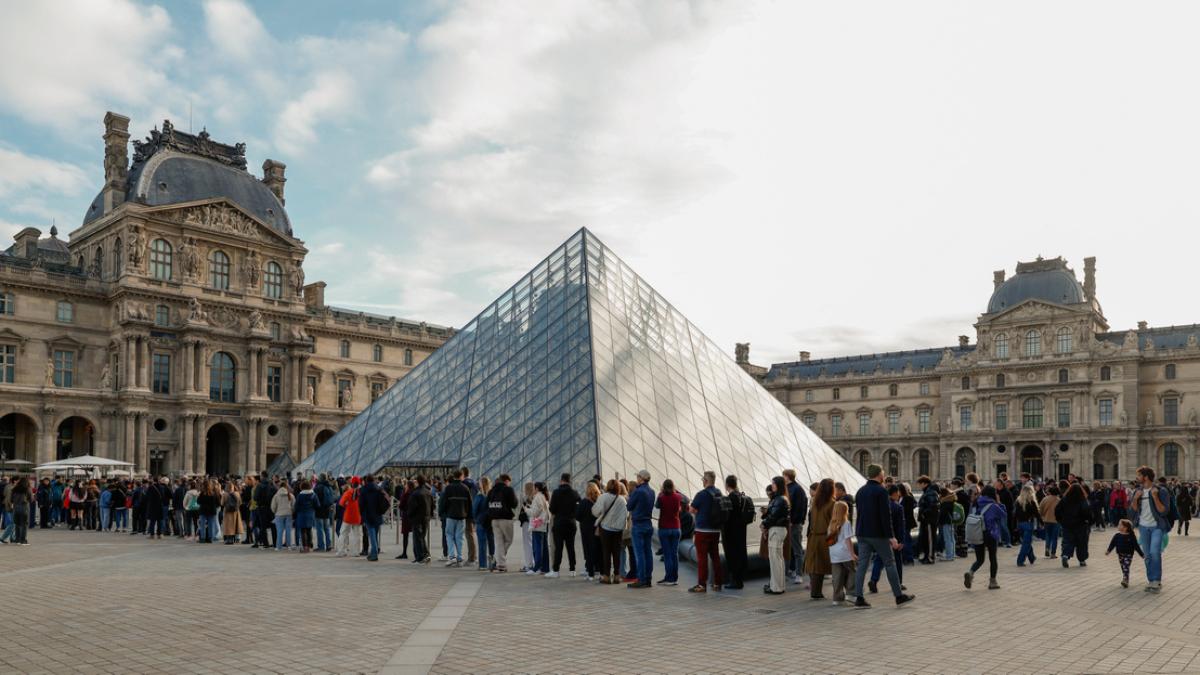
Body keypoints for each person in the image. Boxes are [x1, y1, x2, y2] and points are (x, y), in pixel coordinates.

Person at [852, 464, 914, 609]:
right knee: (890, 563)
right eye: (883, 473)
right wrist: (891, 536)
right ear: (879, 475)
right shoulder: (881, 491)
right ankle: (899, 596)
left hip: (862, 533)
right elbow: (886, 516)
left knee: (862, 565)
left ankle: (859, 597)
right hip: (878, 534)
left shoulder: (860, 491)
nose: (884, 476)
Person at [1130, 466, 1171, 592]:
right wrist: (1135, 498)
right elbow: (1133, 510)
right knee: (1147, 555)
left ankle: (1156, 581)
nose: (1137, 478)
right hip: (1143, 526)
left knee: (1154, 552)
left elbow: (1163, 511)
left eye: (1139, 475)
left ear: (1146, 477)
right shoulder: (1138, 491)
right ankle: (1151, 580)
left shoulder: (1161, 491)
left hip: (1157, 526)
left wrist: (1155, 497)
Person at [963, 485, 1006, 590]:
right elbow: (1004, 515)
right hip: (990, 533)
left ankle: (971, 572)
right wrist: (999, 503)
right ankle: (992, 582)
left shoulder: (976, 502)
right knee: (992, 558)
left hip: (977, 532)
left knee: (980, 559)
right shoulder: (994, 506)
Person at [689, 470, 725, 593]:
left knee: (702, 558)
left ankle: (702, 585)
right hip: (716, 530)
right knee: (715, 557)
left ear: (705, 481)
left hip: (702, 531)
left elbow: (692, 510)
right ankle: (717, 583)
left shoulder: (701, 494)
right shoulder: (719, 493)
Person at [592, 478, 628, 584]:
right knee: (617, 552)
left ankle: (607, 576)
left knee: (606, 552)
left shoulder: (603, 497)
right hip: (618, 530)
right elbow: (626, 515)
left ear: (607, 486)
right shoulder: (622, 499)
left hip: (605, 528)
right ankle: (617, 576)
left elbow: (595, 511)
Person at [805, 478, 835, 599]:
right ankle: (840, 592)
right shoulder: (832, 503)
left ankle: (815, 592)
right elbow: (834, 523)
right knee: (832, 565)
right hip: (826, 538)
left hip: (813, 537)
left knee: (816, 566)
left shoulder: (814, 503)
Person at [625, 469, 655, 589]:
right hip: (648, 524)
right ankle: (648, 579)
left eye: (637, 476)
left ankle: (641, 579)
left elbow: (629, 506)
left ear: (641, 478)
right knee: (648, 552)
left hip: (638, 525)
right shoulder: (652, 491)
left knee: (639, 554)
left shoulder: (638, 491)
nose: (636, 478)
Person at [548, 473, 581, 578]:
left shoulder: (556, 492)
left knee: (558, 547)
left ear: (561, 480)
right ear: (570, 481)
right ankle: (572, 570)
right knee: (570, 547)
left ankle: (556, 571)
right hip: (571, 523)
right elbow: (578, 508)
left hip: (559, 523)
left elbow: (552, 509)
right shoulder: (575, 493)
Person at [761, 476, 790, 595]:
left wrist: (764, 523)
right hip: (779, 530)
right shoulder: (782, 498)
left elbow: (774, 516)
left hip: (776, 530)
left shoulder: (779, 499)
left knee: (775, 560)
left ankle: (776, 587)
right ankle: (778, 585)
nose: (772, 485)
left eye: (773, 483)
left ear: (778, 484)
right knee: (778, 559)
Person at [723, 475, 751, 590]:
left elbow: (726, 517)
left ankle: (735, 581)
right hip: (741, 530)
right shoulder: (741, 496)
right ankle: (739, 580)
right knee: (740, 553)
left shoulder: (729, 498)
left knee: (732, 555)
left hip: (731, 532)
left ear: (727, 485)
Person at [655, 478, 683, 587]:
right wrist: (676, 491)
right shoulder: (678, 497)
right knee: (674, 554)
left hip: (664, 528)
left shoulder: (661, 497)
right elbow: (686, 499)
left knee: (667, 555)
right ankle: (674, 578)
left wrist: (661, 492)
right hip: (676, 528)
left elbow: (657, 506)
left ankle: (669, 578)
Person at [828, 500, 857, 605]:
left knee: (837, 576)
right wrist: (852, 554)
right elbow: (848, 540)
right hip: (845, 553)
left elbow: (829, 540)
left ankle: (837, 598)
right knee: (852, 572)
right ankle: (851, 594)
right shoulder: (846, 523)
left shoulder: (831, 524)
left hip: (834, 554)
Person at [441, 470, 472, 567]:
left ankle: (452, 556)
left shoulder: (448, 488)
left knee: (449, 535)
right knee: (460, 537)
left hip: (450, 515)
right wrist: (468, 515)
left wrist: (443, 513)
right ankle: (459, 557)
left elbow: (444, 502)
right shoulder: (465, 488)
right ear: (461, 476)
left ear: (454, 476)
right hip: (462, 516)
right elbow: (469, 504)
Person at [1056, 483, 1092, 568]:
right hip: (1081, 524)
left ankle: (1065, 555)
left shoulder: (1064, 500)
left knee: (1067, 541)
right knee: (1082, 543)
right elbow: (1087, 512)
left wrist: (1060, 520)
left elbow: (1057, 510)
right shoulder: (1082, 500)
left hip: (1067, 524)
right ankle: (1082, 560)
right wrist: (1089, 521)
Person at [487, 474, 518, 571]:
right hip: (506, 518)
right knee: (509, 540)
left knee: (498, 542)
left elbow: (486, 504)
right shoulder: (508, 489)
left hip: (494, 519)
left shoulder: (491, 491)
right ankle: (499, 560)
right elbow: (514, 504)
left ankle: (500, 563)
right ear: (506, 481)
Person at [783, 468, 808, 585]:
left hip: (794, 524)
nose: (783, 478)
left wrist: (795, 521)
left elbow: (801, 506)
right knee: (789, 548)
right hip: (788, 523)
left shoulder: (797, 489)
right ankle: (790, 570)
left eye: (784, 475)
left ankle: (799, 574)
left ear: (788, 476)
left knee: (797, 549)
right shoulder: (788, 488)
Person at [1106, 518, 1145, 588]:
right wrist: (1108, 550)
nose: (1118, 526)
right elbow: (1112, 544)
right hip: (1120, 554)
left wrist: (1141, 554)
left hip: (1128, 554)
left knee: (1126, 566)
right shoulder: (1117, 535)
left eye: (1120, 525)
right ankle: (1125, 578)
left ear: (1125, 528)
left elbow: (1136, 546)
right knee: (1123, 567)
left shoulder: (1131, 536)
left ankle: (1125, 580)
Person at [359, 474, 388, 562]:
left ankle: (374, 554)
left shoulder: (364, 489)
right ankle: (373, 552)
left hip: (368, 514)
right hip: (378, 514)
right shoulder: (378, 488)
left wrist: (362, 514)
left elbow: (361, 504)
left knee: (371, 535)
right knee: (374, 535)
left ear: (366, 480)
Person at [524, 481, 550, 575]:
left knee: (537, 547)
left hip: (537, 525)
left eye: (534, 488)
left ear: (537, 488)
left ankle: (536, 568)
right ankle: (545, 568)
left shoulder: (537, 497)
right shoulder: (544, 496)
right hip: (543, 524)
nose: (533, 490)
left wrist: (526, 509)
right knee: (544, 547)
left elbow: (535, 513)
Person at [577, 481, 600, 580]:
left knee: (588, 550)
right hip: (597, 528)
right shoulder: (599, 500)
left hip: (586, 528)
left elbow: (577, 516)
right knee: (598, 549)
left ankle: (590, 573)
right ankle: (600, 571)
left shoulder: (583, 502)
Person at [336, 477, 363, 557]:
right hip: (357, 516)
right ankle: (356, 552)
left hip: (347, 516)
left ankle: (341, 551)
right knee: (357, 535)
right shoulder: (361, 493)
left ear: (352, 483)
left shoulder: (348, 492)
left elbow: (341, 503)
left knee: (343, 534)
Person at [1014, 484, 1039, 567]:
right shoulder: (1032, 502)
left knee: (1026, 542)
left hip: (1020, 524)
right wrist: (1042, 523)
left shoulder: (1018, 501)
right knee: (1026, 543)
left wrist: (1014, 526)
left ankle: (1032, 557)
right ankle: (1020, 560)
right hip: (1028, 524)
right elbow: (1037, 514)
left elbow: (1015, 515)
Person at [472, 476, 494, 570]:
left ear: (481, 484)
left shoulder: (479, 496)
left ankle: (483, 565)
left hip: (481, 521)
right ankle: (493, 563)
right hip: (491, 521)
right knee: (492, 542)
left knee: (482, 544)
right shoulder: (492, 495)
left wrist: (474, 520)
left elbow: (474, 509)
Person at [915, 476, 938, 564]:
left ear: (925, 483)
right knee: (925, 539)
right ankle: (926, 555)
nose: (919, 486)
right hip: (925, 520)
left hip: (929, 520)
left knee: (930, 539)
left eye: (920, 484)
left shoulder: (931, 493)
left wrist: (924, 513)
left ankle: (930, 557)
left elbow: (933, 506)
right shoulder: (927, 492)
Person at [293, 480, 317, 552]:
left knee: (303, 531)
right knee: (309, 530)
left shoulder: (300, 495)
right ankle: (309, 546)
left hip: (302, 515)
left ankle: (305, 547)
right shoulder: (313, 494)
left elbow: (296, 506)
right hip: (311, 514)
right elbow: (317, 505)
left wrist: (295, 513)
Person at [314, 474, 336, 553]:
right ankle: (328, 545)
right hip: (327, 510)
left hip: (319, 510)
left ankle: (321, 546)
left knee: (319, 529)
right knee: (327, 528)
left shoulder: (318, 487)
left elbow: (314, 499)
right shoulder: (329, 487)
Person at [271, 481, 295, 551]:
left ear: (279, 487)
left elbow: (273, 506)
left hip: (279, 514)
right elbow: (294, 505)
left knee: (279, 531)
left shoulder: (276, 496)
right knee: (288, 530)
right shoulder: (291, 495)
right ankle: (289, 545)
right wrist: (292, 511)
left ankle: (279, 546)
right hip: (289, 514)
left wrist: (275, 512)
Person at [8, 477, 30, 545]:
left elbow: (11, 499)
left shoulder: (14, 489)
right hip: (24, 507)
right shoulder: (27, 489)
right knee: (24, 524)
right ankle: (23, 540)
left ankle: (17, 540)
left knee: (17, 524)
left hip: (16, 508)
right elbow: (31, 498)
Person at [1039, 485, 1060, 558]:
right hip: (1056, 521)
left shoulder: (1045, 499)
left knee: (1048, 535)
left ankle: (1047, 548)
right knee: (1055, 538)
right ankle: (1053, 553)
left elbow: (1040, 509)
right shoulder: (1058, 500)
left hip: (1046, 520)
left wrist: (1042, 516)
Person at [937, 487, 957, 561]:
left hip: (946, 522)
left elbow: (942, 514)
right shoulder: (951, 500)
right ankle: (952, 554)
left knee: (947, 539)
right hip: (951, 521)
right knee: (952, 539)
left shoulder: (945, 502)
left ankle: (949, 556)